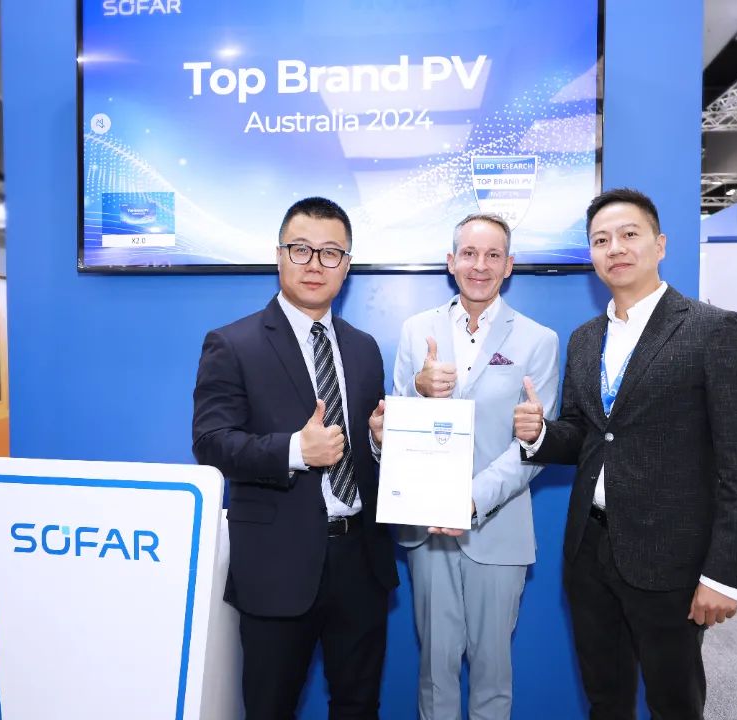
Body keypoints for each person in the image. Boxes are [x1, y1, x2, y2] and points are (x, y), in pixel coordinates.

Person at [514, 188, 737, 719]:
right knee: (605, 698)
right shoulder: (585, 339)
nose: (615, 248)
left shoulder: (710, 329)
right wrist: (541, 434)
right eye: (600, 240)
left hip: (671, 558)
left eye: (629, 235)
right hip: (590, 549)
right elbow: (588, 435)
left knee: (673, 703)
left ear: (660, 244)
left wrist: (724, 575)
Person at [192, 197, 398, 719]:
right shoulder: (232, 343)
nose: (314, 264)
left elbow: (363, 450)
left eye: (331, 253)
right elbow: (211, 441)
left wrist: (377, 441)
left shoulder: (364, 347)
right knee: (270, 707)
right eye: (301, 249)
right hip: (277, 565)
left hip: (361, 561)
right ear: (279, 255)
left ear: (346, 266)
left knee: (359, 706)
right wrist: (294, 451)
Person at [390, 212, 559, 719]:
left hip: (498, 529)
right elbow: (397, 429)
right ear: (451, 261)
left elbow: (533, 447)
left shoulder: (538, 340)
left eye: (492, 255)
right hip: (429, 530)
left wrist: (470, 499)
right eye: (469, 254)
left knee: (492, 673)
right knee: (435, 671)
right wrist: (417, 390)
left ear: (509, 265)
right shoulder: (416, 331)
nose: (479, 265)